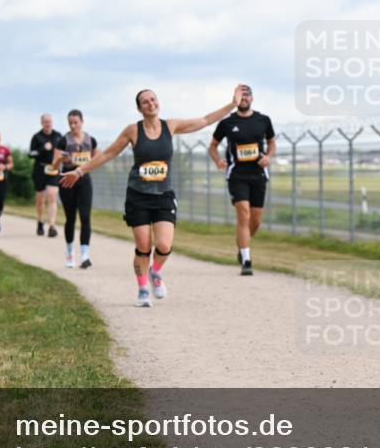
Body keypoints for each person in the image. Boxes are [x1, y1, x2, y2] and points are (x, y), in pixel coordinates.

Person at [61, 85, 242, 307]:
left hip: (163, 194)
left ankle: (155, 272)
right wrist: (79, 171)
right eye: (145, 102)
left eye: (153, 99)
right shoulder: (132, 131)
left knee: (164, 245)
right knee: (144, 246)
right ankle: (143, 288)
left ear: (158, 102)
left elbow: (204, 120)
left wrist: (232, 105)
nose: (151, 103)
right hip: (138, 195)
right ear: (139, 108)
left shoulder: (171, 126)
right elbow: (108, 153)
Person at [209, 84, 276, 276]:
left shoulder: (263, 120)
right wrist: (218, 161)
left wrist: (268, 157)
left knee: (255, 220)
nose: (244, 98)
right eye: (240, 95)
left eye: (247, 95)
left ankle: (242, 244)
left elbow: (272, 142)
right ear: (235, 99)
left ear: (252, 98)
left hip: (258, 175)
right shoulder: (227, 123)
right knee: (243, 214)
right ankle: (246, 260)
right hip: (237, 175)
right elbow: (212, 146)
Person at [52, 110, 98, 268]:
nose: (73, 126)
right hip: (67, 181)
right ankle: (70, 252)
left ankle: (85, 255)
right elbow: (53, 166)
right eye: (70, 123)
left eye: (75, 122)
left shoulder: (91, 140)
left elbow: (95, 161)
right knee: (70, 218)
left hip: (84, 180)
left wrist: (85, 165)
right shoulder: (63, 141)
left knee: (85, 216)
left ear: (82, 121)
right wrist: (60, 159)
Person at [29, 114, 63, 237]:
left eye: (50, 121)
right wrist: (43, 148)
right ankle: (40, 221)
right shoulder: (37, 137)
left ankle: (52, 226)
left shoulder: (58, 136)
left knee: (52, 196)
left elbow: (64, 151)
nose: (48, 123)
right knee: (40, 200)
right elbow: (31, 153)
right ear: (42, 123)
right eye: (45, 122)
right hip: (40, 169)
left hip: (53, 169)